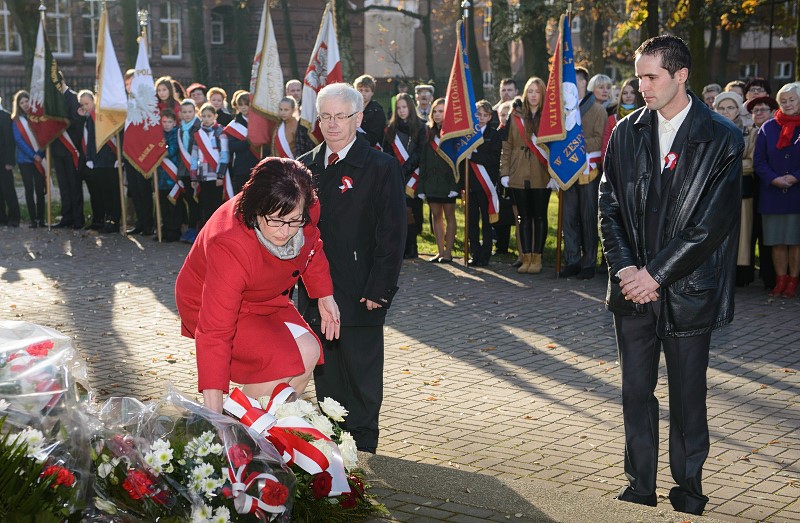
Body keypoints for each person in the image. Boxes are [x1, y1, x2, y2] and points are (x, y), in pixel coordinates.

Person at [599, 35, 743, 516]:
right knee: (635, 393)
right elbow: (608, 205)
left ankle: (689, 493)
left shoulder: (722, 137)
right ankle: (639, 486)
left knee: (687, 398)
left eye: (650, 76)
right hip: (631, 290)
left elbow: (711, 226)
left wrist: (655, 275)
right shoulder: (625, 132)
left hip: (688, 291)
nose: (640, 86)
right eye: (638, 76)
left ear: (681, 75)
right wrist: (625, 269)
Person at [175, 157, 341, 412]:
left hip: (266, 296)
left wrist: (324, 295)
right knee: (280, 361)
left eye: (294, 220)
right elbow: (215, 333)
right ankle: (236, 425)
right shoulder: (229, 245)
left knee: (309, 350)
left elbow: (312, 243)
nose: (285, 231)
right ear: (256, 210)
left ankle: (272, 425)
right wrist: (213, 415)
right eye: (275, 220)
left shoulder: (304, 206)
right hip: (209, 299)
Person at [297, 82, 406, 453]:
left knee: (361, 381)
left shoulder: (380, 167)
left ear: (358, 119)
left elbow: (392, 234)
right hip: (315, 294)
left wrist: (379, 288)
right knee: (327, 382)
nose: (331, 124)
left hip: (361, 293)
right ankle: (332, 454)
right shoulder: (304, 166)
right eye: (325, 116)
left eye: (340, 117)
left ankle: (364, 454)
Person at [753, 82, 800, 298]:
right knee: (776, 241)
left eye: (792, 100)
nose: (787, 104)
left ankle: (792, 281)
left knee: (795, 241)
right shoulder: (768, 127)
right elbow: (759, 161)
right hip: (773, 194)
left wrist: (795, 176)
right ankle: (780, 280)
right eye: (783, 101)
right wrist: (774, 179)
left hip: (796, 194)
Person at [500, 78, 551, 274]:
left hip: (542, 172)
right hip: (518, 171)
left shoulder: (549, 117)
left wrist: (555, 174)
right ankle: (526, 257)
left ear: (543, 94)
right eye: (530, 91)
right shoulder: (515, 116)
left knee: (539, 216)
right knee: (523, 217)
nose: (533, 95)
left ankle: (537, 258)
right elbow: (507, 146)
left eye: (537, 91)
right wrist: (505, 172)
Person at [561, 72, 608, 279]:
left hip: (588, 171)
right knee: (568, 217)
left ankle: (588, 262)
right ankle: (572, 260)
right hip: (566, 170)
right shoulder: (561, 110)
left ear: (582, 83)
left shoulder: (597, 109)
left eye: (573, 80)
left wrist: (573, 143)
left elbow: (599, 140)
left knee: (588, 217)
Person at [741, 94, 778, 287]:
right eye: (755, 111)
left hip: (772, 189)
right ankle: (748, 274)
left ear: (773, 112)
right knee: (750, 233)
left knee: (768, 236)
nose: (759, 113)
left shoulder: (776, 131)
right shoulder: (747, 133)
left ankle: (770, 276)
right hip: (750, 191)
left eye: (763, 110)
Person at [383, 92, 426, 259]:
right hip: (395, 176)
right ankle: (399, 247)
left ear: (410, 107)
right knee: (397, 214)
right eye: (398, 108)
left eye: (404, 107)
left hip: (413, 176)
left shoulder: (421, 127)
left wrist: (405, 169)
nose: (401, 110)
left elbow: (420, 152)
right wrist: (396, 170)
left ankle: (412, 246)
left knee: (412, 213)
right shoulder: (390, 129)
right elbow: (387, 153)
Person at [418, 97, 458, 263]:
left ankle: (448, 252)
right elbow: (423, 160)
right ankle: (440, 252)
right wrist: (421, 186)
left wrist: (454, 185)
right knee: (436, 216)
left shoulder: (453, 134)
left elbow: (456, 162)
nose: (437, 114)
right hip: (431, 183)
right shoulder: (427, 132)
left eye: (441, 111)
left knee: (450, 216)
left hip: (447, 183)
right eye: (435, 111)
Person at [79, 90, 122, 234]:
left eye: (87, 103)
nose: (85, 107)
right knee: (104, 192)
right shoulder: (90, 118)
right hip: (98, 160)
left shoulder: (108, 115)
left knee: (114, 192)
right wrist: (90, 158)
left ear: (94, 101)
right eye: (82, 105)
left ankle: (115, 220)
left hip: (111, 158)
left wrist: (119, 157)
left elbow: (119, 136)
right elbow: (91, 139)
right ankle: (107, 219)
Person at [466, 100, 502, 266]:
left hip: (486, 183)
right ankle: (474, 252)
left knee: (487, 222)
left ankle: (485, 254)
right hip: (471, 183)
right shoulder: (468, 134)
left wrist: (473, 156)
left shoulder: (494, 135)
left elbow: (493, 159)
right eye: (478, 114)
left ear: (490, 117)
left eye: (484, 115)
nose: (481, 118)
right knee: (472, 220)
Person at [51, 71, 84, 229]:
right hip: (57, 148)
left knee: (74, 184)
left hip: (71, 149)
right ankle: (67, 216)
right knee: (63, 185)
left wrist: (61, 125)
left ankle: (78, 218)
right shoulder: (53, 99)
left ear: (62, 81)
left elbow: (77, 121)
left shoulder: (72, 97)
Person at [11, 90, 46, 228]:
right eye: (22, 102)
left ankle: (41, 219)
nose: (25, 104)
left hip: (39, 159)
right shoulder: (16, 120)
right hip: (25, 161)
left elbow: (44, 136)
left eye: (26, 101)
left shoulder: (38, 117)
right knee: (29, 190)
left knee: (40, 190)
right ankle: (33, 220)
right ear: (18, 105)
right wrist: (33, 155)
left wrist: (40, 154)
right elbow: (18, 140)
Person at [191, 102, 228, 230]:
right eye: (204, 116)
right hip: (203, 175)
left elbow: (224, 155)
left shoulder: (220, 132)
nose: (206, 119)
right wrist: (193, 177)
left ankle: (217, 230)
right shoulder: (198, 134)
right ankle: (206, 231)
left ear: (215, 116)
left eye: (209, 116)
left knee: (216, 205)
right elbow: (194, 157)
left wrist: (220, 175)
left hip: (216, 176)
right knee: (205, 205)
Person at [225, 90, 260, 194]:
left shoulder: (259, 122)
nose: (243, 107)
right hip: (241, 167)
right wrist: (247, 142)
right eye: (240, 105)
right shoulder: (234, 125)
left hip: (257, 164)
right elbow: (231, 146)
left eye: (246, 104)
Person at [602, 78, 645, 161]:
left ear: (638, 94)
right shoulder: (612, 119)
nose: (628, 96)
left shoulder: (646, 116)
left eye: (632, 92)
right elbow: (605, 148)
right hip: (618, 163)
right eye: (625, 93)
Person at [177, 99, 202, 244]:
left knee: (198, 201)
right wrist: (180, 174)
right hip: (185, 171)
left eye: (190, 112)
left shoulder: (200, 127)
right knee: (190, 202)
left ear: (195, 112)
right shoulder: (180, 129)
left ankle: (198, 229)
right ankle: (191, 228)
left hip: (198, 171)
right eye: (184, 112)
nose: (187, 115)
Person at [156, 108, 182, 242]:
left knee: (174, 205)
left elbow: (170, 151)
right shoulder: (158, 135)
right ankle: (165, 229)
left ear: (174, 123)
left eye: (169, 122)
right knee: (163, 205)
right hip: (161, 177)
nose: (166, 124)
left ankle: (174, 230)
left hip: (173, 176)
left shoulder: (176, 134)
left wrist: (158, 149)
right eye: (164, 122)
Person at [0, 95, 19, 227]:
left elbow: (9, 141)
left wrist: (10, 161)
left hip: (4, 161)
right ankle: (2, 217)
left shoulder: (6, 117)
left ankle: (14, 217)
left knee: (8, 190)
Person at [354, 74, 386, 148]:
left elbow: (374, 138)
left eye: (367, 90)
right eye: (360, 90)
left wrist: (353, 135)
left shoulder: (377, 112)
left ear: (372, 93)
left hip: (370, 150)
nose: (363, 93)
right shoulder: (350, 109)